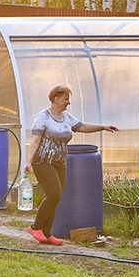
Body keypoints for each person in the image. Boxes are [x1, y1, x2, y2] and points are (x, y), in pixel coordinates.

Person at [25, 84, 118, 245]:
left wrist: (103, 127)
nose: (68, 102)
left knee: (56, 197)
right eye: (66, 99)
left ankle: (47, 233)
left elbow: (83, 127)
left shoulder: (66, 117)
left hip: (60, 162)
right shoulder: (43, 116)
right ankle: (36, 227)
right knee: (54, 194)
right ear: (56, 99)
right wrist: (28, 161)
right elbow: (35, 140)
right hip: (43, 161)